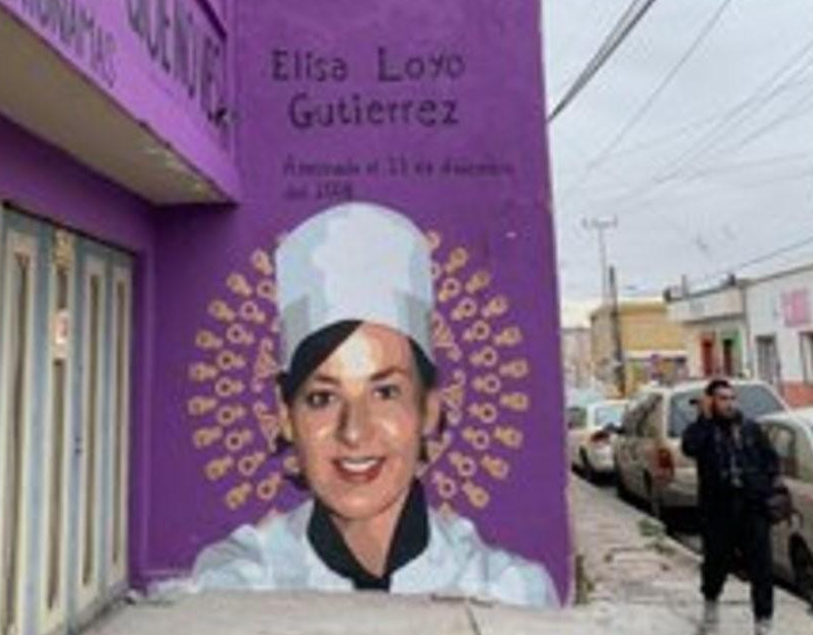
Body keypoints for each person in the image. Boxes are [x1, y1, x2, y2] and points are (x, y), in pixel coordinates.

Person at [181, 201, 558, 607]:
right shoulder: (237, 585)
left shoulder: (507, 591)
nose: (354, 431)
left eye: (385, 392)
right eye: (323, 398)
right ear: (286, 416)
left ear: (429, 408)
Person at [681, 379, 782, 635]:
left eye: (731, 398)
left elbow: (771, 461)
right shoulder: (703, 430)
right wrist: (703, 418)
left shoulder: (749, 428)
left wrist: (764, 488)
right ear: (711, 401)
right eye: (722, 398)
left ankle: (763, 627)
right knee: (715, 565)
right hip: (718, 511)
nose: (729, 403)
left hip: (752, 508)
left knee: (761, 569)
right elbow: (690, 448)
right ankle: (710, 615)